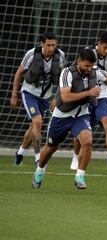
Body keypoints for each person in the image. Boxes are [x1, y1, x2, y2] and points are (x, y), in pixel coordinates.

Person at [32, 47, 107, 189]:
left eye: (91, 66)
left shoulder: (95, 71)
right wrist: (89, 93)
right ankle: (40, 170)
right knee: (51, 148)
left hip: (80, 116)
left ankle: (80, 176)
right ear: (78, 61)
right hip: (61, 116)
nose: (89, 69)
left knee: (87, 141)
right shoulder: (67, 73)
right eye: (86, 65)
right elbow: (66, 97)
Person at [69, 31, 107, 171]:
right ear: (98, 43)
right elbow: (73, 70)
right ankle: (75, 156)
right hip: (87, 94)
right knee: (81, 133)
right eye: (105, 47)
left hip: (103, 93)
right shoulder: (87, 54)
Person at [10, 32, 66, 165]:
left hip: (45, 97)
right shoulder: (32, 54)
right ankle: (38, 157)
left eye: (54, 45)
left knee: (33, 127)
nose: (51, 48)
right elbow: (19, 73)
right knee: (37, 122)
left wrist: (56, 98)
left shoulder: (60, 55)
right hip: (29, 92)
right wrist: (13, 95)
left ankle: (20, 152)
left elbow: (63, 79)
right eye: (48, 45)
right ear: (42, 44)